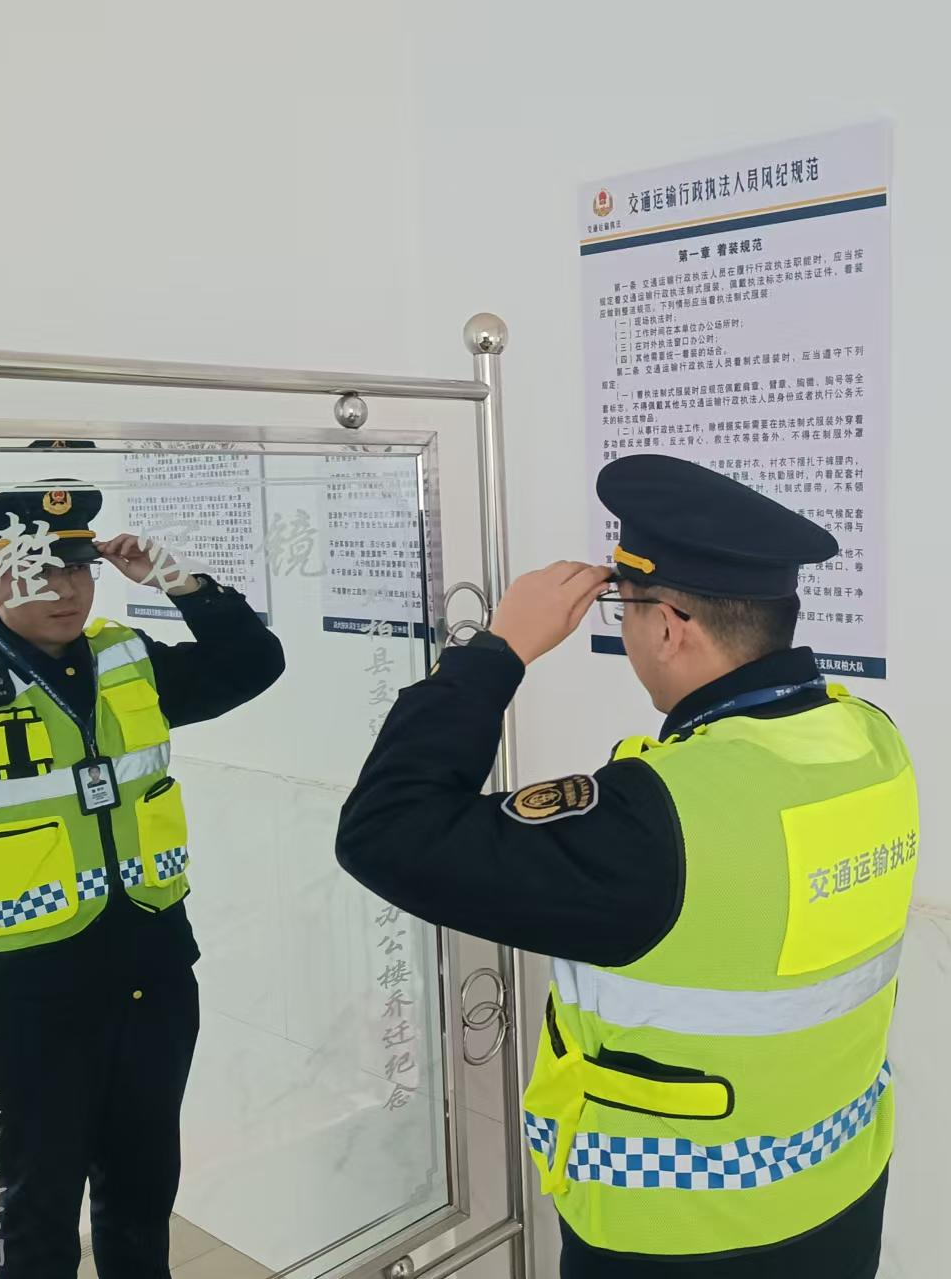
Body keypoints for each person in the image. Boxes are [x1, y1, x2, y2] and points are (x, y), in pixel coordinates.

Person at [337, 454, 919, 1279]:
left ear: (671, 626)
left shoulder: (656, 818)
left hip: (675, 1238)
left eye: (625, 608)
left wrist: (498, 649)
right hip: (840, 1200)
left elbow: (385, 830)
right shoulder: (871, 741)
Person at [0, 478, 284, 1278]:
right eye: (37, 570)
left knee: (143, 1190)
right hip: (22, 989)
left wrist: (177, 580)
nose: (67, 588)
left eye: (78, 566)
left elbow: (253, 663)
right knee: (39, 1206)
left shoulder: (124, 656)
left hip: (150, 965)